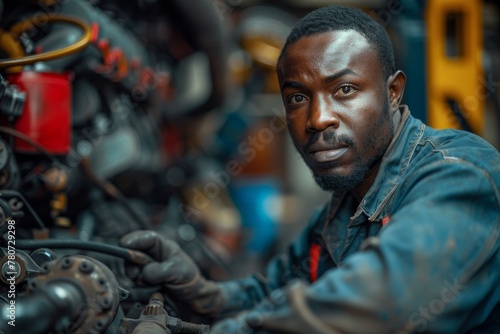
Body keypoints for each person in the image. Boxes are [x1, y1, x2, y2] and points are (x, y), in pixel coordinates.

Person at [120, 5, 500, 333]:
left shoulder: (460, 175)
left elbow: (381, 305)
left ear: (394, 92)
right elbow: (270, 292)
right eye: (298, 97)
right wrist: (203, 294)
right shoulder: (343, 206)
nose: (317, 119)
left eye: (345, 90)